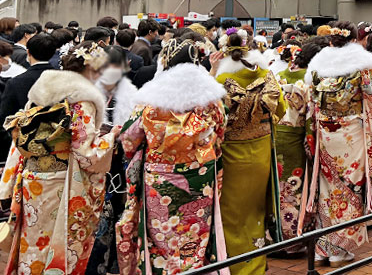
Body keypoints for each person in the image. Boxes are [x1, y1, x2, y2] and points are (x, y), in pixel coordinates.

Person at [1, 42, 117, 275]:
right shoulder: (82, 99)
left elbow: (21, 139)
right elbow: (85, 154)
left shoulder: (41, 90)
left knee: (32, 240)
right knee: (56, 243)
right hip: (60, 183)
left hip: (31, 179)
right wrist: (112, 137)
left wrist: (7, 184)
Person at [116, 39, 228, 275]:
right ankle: (192, 268)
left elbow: (130, 139)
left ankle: (165, 270)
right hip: (200, 174)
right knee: (195, 231)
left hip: (160, 177)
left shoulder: (151, 99)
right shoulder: (210, 98)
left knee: (162, 232)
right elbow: (219, 134)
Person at [304, 21, 372, 265]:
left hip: (326, 134)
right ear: (353, 39)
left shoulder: (318, 65)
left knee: (327, 188)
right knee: (351, 187)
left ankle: (323, 246)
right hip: (352, 135)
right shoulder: (363, 65)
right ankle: (338, 250)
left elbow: (311, 99)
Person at [215, 32, 286, 275]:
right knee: (256, 206)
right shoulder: (266, 74)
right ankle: (255, 263)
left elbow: (213, 118)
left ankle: (233, 265)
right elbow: (282, 108)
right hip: (261, 149)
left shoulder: (220, 78)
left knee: (231, 211)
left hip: (231, 152)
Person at [272, 36, 327, 256]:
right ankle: (292, 241)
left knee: (277, 188)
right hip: (295, 139)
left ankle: (273, 237)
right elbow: (310, 121)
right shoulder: (310, 81)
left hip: (275, 136)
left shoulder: (277, 75)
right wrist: (312, 148)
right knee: (293, 188)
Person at [87, 46, 138, 275]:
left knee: (119, 209)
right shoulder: (87, 93)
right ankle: (96, 261)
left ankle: (117, 260)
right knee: (95, 214)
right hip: (94, 160)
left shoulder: (132, 94)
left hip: (119, 161)